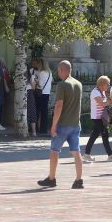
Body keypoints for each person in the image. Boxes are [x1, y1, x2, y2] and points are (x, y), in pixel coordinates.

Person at [38, 60, 84, 188]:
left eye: (58, 70)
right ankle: (79, 180)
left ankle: (51, 178)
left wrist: (53, 125)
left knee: (54, 151)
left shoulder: (62, 85)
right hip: (75, 124)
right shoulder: (78, 84)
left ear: (62, 70)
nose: (58, 73)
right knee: (76, 152)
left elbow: (59, 105)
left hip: (63, 124)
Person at [84, 75, 112, 162]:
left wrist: (109, 101)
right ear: (102, 84)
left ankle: (86, 154)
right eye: (107, 84)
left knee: (94, 135)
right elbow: (102, 103)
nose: (108, 86)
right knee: (105, 134)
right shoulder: (95, 92)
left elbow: (105, 103)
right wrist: (110, 99)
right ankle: (110, 155)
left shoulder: (102, 92)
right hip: (97, 117)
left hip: (101, 117)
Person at [35, 59, 52, 134]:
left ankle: (37, 128)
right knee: (44, 112)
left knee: (38, 111)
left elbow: (40, 84)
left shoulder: (41, 73)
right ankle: (44, 128)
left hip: (40, 94)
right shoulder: (49, 73)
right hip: (47, 93)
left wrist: (35, 81)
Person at [25, 59, 40, 137]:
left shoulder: (19, 76)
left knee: (24, 113)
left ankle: (25, 130)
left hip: (22, 94)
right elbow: (34, 88)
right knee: (32, 112)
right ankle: (34, 132)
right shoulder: (31, 76)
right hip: (30, 94)